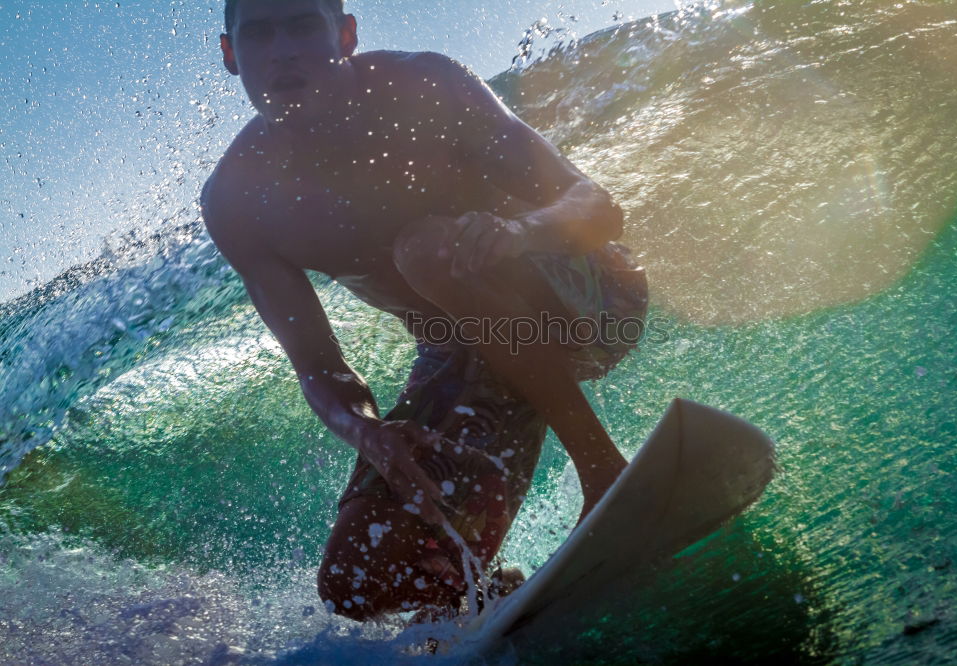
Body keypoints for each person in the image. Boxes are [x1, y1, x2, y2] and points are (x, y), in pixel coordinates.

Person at [201, 0, 648, 621]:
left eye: (304, 25)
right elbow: (321, 370)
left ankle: (603, 470)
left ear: (347, 35)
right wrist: (369, 432)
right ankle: (486, 597)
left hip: (591, 296)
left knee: (426, 253)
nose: (282, 51)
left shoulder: (422, 85)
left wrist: (519, 231)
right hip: (468, 356)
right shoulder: (238, 200)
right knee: (355, 582)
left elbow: (596, 206)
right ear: (230, 55)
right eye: (259, 34)